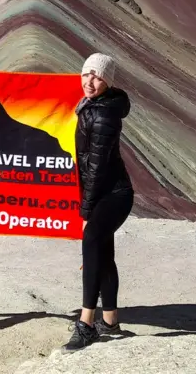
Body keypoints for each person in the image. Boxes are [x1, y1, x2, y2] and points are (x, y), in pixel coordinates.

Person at [63, 52, 134, 353]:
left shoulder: (104, 115)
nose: (90, 81)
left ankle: (87, 324)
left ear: (108, 81)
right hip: (110, 191)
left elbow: (96, 168)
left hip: (113, 193)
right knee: (103, 251)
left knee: (91, 241)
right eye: (86, 74)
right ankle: (111, 321)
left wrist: (87, 210)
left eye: (97, 76)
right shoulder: (93, 105)